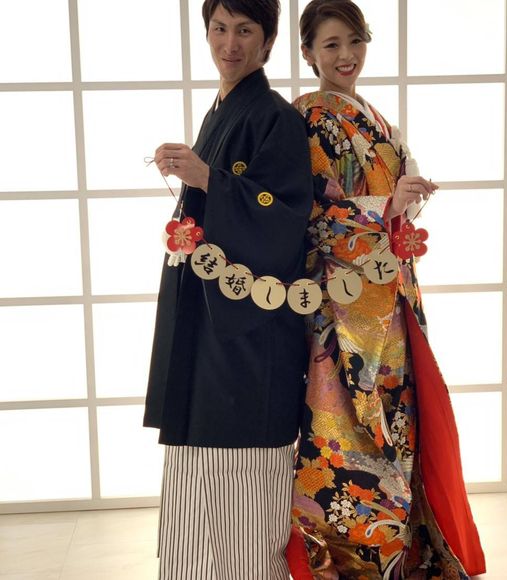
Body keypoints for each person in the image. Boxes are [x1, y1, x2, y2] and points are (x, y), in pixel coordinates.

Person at [291, 1, 486, 578]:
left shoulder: (374, 117)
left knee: (398, 424)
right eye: (331, 45)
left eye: (354, 41)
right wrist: (385, 206)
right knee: (348, 428)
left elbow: (393, 201)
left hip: (390, 295)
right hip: (343, 306)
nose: (345, 55)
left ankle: (404, 553)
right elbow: (311, 214)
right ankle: (350, 561)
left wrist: (407, 197)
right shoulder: (308, 116)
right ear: (307, 53)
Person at [142, 0, 313, 578]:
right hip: (206, 324)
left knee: (244, 487)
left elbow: (286, 219)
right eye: (219, 28)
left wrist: (207, 178)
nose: (230, 43)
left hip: (248, 333)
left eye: (245, 30)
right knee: (196, 472)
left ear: (268, 42)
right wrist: (198, 175)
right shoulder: (223, 111)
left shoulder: (275, 117)